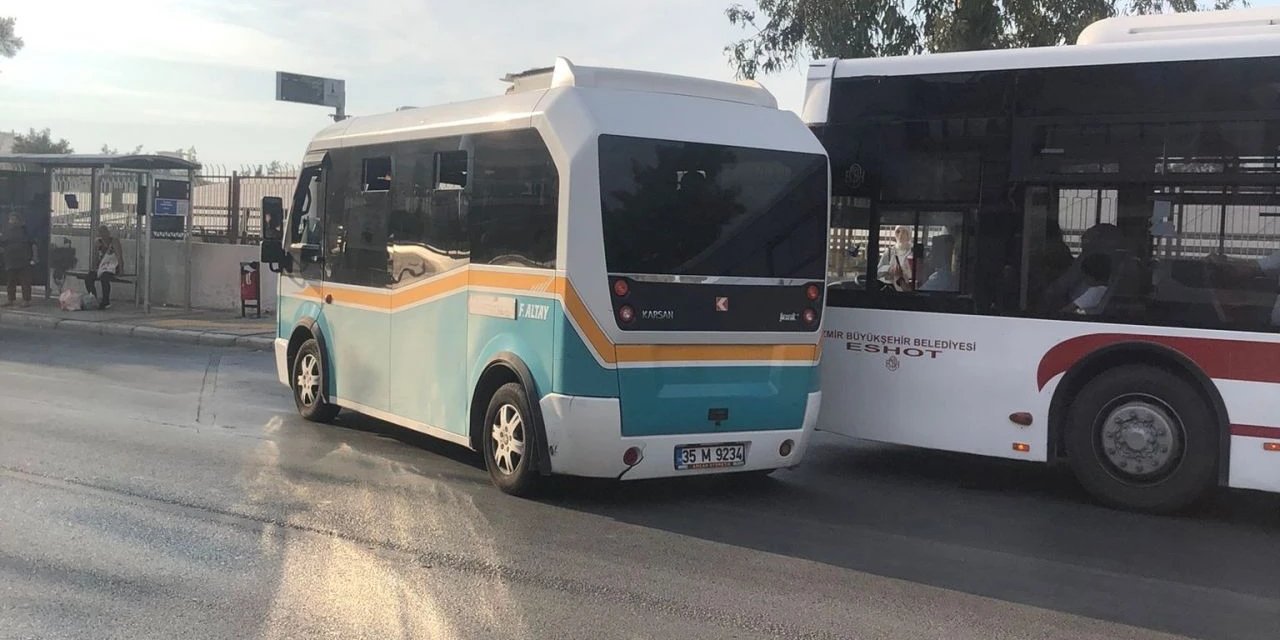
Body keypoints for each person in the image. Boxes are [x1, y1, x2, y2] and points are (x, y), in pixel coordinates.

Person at [82, 225, 123, 310]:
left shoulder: (114, 241)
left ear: (108, 233)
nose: (103, 235)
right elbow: (96, 258)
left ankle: (106, 301)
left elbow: (119, 256)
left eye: (104, 232)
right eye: (101, 233)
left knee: (105, 277)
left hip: (113, 266)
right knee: (89, 277)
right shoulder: (98, 242)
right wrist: (94, 268)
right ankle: (93, 298)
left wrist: (121, 270)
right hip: (102, 266)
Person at [1, 213, 38, 307]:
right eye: (10, 219)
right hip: (10, 260)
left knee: (25, 281)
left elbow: (33, 244)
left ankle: (26, 300)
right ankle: (10, 299)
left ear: (19, 220)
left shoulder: (26, 231)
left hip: (24, 260)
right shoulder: (6, 231)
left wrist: (35, 257)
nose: (12, 221)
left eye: (14, 219)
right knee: (10, 281)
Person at [877, 225, 914, 291]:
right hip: (891, 291)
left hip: (908, 290)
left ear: (909, 235)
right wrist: (889, 269)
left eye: (904, 232)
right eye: (898, 232)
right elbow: (878, 271)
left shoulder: (913, 252)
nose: (900, 235)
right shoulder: (889, 252)